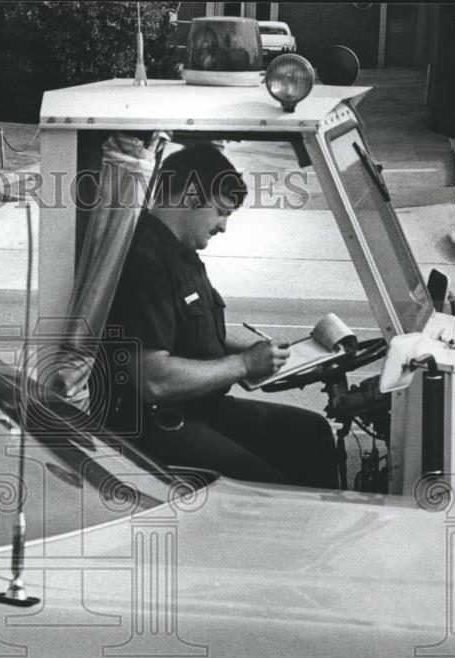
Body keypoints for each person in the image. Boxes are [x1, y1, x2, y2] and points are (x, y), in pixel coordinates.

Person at [102, 143, 338, 489]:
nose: (224, 226)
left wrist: (270, 356)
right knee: (267, 484)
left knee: (311, 432)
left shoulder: (180, 254)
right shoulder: (147, 262)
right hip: (156, 424)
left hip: (200, 409)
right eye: (221, 212)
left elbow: (194, 334)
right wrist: (244, 364)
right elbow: (154, 380)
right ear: (192, 194)